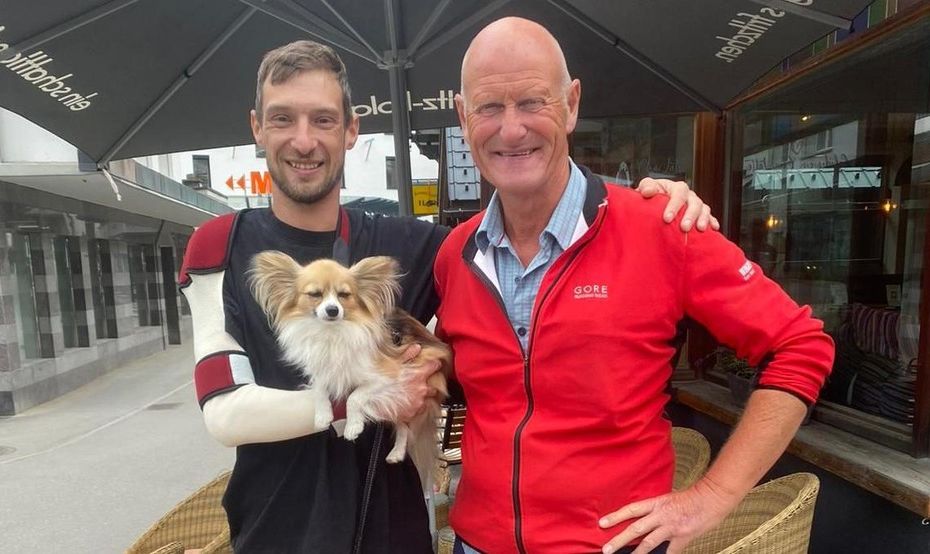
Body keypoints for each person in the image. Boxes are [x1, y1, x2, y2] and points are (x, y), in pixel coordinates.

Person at [179, 40, 715, 553]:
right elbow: (225, 413)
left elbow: (521, 242)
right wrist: (354, 402)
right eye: (282, 119)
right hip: (275, 533)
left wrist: (645, 203)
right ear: (257, 127)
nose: (303, 141)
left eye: (323, 119)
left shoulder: (415, 246)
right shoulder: (219, 247)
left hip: (396, 536)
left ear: (350, 130)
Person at [433, 17, 834, 554]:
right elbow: (459, 372)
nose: (511, 130)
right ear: (463, 117)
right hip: (477, 543)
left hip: (611, 545)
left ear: (571, 105)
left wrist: (713, 495)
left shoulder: (663, 227)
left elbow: (800, 345)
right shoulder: (455, 255)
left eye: (531, 102)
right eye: (489, 107)